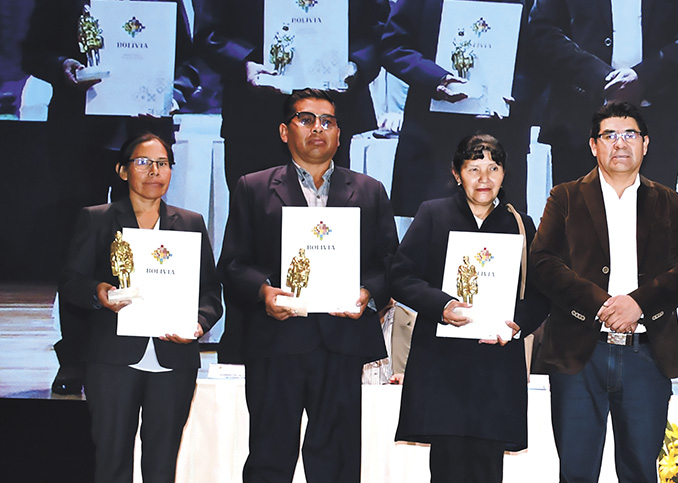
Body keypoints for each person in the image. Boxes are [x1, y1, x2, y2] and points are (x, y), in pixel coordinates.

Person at [217, 89, 399, 483]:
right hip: (277, 341)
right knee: (269, 458)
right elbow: (233, 263)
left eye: (328, 121)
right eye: (306, 119)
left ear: (340, 133)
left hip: (339, 342)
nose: (318, 128)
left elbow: (390, 264)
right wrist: (263, 292)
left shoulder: (369, 190)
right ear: (285, 130)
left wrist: (369, 292)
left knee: (338, 460)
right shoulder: (253, 188)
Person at [529, 101, 678, 483]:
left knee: (641, 474)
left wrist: (638, 303)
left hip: (646, 356)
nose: (620, 143)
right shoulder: (564, 197)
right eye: (609, 135)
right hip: (579, 353)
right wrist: (602, 305)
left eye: (630, 134)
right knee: (577, 473)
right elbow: (542, 263)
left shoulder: (667, 202)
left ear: (646, 145)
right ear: (593, 144)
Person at [389, 134, 549, 483]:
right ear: (457, 172)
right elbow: (402, 276)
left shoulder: (522, 224)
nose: (485, 177)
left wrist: (517, 324)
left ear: (505, 174)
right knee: (447, 471)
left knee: (485, 473)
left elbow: (542, 293)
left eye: (494, 168)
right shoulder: (433, 214)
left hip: (495, 363)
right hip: (444, 363)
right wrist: (446, 306)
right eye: (474, 167)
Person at [60, 133, 223, 483]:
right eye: (144, 162)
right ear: (122, 170)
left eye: (164, 163)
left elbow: (210, 293)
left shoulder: (188, 223)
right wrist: (101, 295)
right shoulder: (97, 220)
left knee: (160, 463)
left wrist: (198, 323)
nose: (155, 172)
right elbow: (71, 281)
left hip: (173, 356)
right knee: (112, 459)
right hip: (113, 357)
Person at [23, 0, 199, 395]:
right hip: (77, 133)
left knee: (145, 245)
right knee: (77, 246)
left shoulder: (162, 2)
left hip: (146, 130)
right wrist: (61, 66)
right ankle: (74, 358)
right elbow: (33, 51)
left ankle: (135, 352)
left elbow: (189, 61)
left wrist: (176, 91)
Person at [194, 0, 389, 191]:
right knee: (255, 216)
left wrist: (357, 63)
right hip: (253, 118)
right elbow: (209, 30)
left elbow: (379, 25)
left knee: (323, 218)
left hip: (332, 111)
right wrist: (243, 63)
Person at [526, 0, 678, 188]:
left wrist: (644, 78)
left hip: (657, 126)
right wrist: (601, 78)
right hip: (577, 126)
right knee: (579, 215)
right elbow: (542, 30)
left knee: (651, 216)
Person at [380, 0, 535, 215]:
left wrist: (518, 91)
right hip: (433, 137)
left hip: (501, 134)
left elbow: (541, 48)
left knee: (496, 240)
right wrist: (437, 79)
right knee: (430, 234)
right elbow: (394, 45)